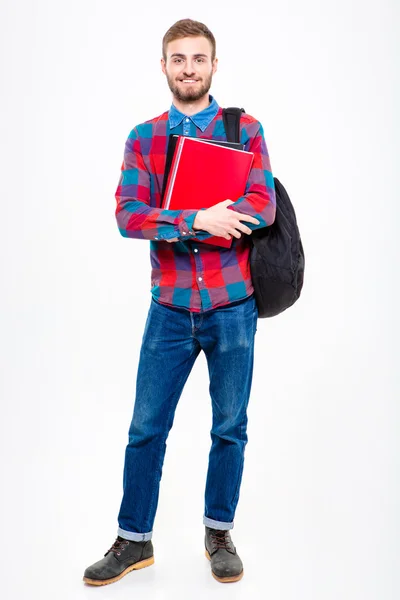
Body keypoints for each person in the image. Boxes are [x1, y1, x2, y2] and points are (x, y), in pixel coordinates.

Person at [83, 17, 276, 586]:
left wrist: (196, 219)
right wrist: (198, 218)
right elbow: (127, 215)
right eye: (178, 59)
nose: (188, 69)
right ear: (164, 67)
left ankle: (219, 532)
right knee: (146, 427)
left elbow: (262, 205)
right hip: (168, 308)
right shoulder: (143, 138)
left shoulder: (247, 129)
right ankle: (133, 540)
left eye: (198, 59)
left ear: (214, 66)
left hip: (233, 306)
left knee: (229, 427)